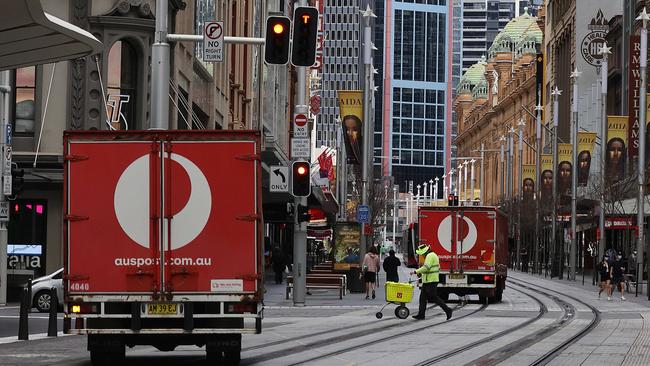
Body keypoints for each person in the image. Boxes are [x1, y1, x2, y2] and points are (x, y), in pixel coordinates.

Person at [410, 244, 452, 320]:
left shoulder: (430, 256)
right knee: (422, 298)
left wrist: (415, 271)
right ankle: (421, 315)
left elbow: (426, 268)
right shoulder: (433, 255)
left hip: (431, 281)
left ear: (425, 251)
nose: (422, 255)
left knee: (434, 297)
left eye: (422, 253)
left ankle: (448, 310)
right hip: (428, 280)